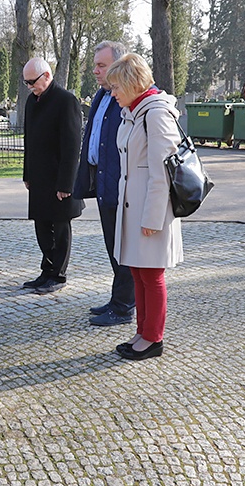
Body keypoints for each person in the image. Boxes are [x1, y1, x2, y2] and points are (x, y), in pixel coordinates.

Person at [106, 53, 183, 361]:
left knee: (151, 276)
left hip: (151, 210)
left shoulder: (155, 112)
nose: (112, 93)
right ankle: (142, 331)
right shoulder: (135, 111)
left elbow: (161, 171)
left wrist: (153, 217)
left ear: (130, 82)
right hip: (133, 207)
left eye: (115, 86)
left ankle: (153, 338)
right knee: (138, 272)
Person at [73, 41, 136, 326]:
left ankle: (124, 307)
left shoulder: (128, 97)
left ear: (118, 65)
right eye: (95, 65)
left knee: (124, 249)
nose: (95, 71)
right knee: (113, 247)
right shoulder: (102, 95)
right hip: (103, 181)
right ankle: (116, 299)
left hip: (122, 185)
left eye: (101, 65)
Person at [21, 57, 83, 294]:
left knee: (60, 227)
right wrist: (27, 174)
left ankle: (58, 275)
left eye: (32, 82)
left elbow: (71, 146)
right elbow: (29, 140)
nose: (29, 87)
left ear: (47, 76)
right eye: (26, 83)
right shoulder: (31, 101)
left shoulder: (66, 101)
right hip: (38, 177)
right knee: (41, 225)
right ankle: (46, 270)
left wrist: (66, 183)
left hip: (59, 178)